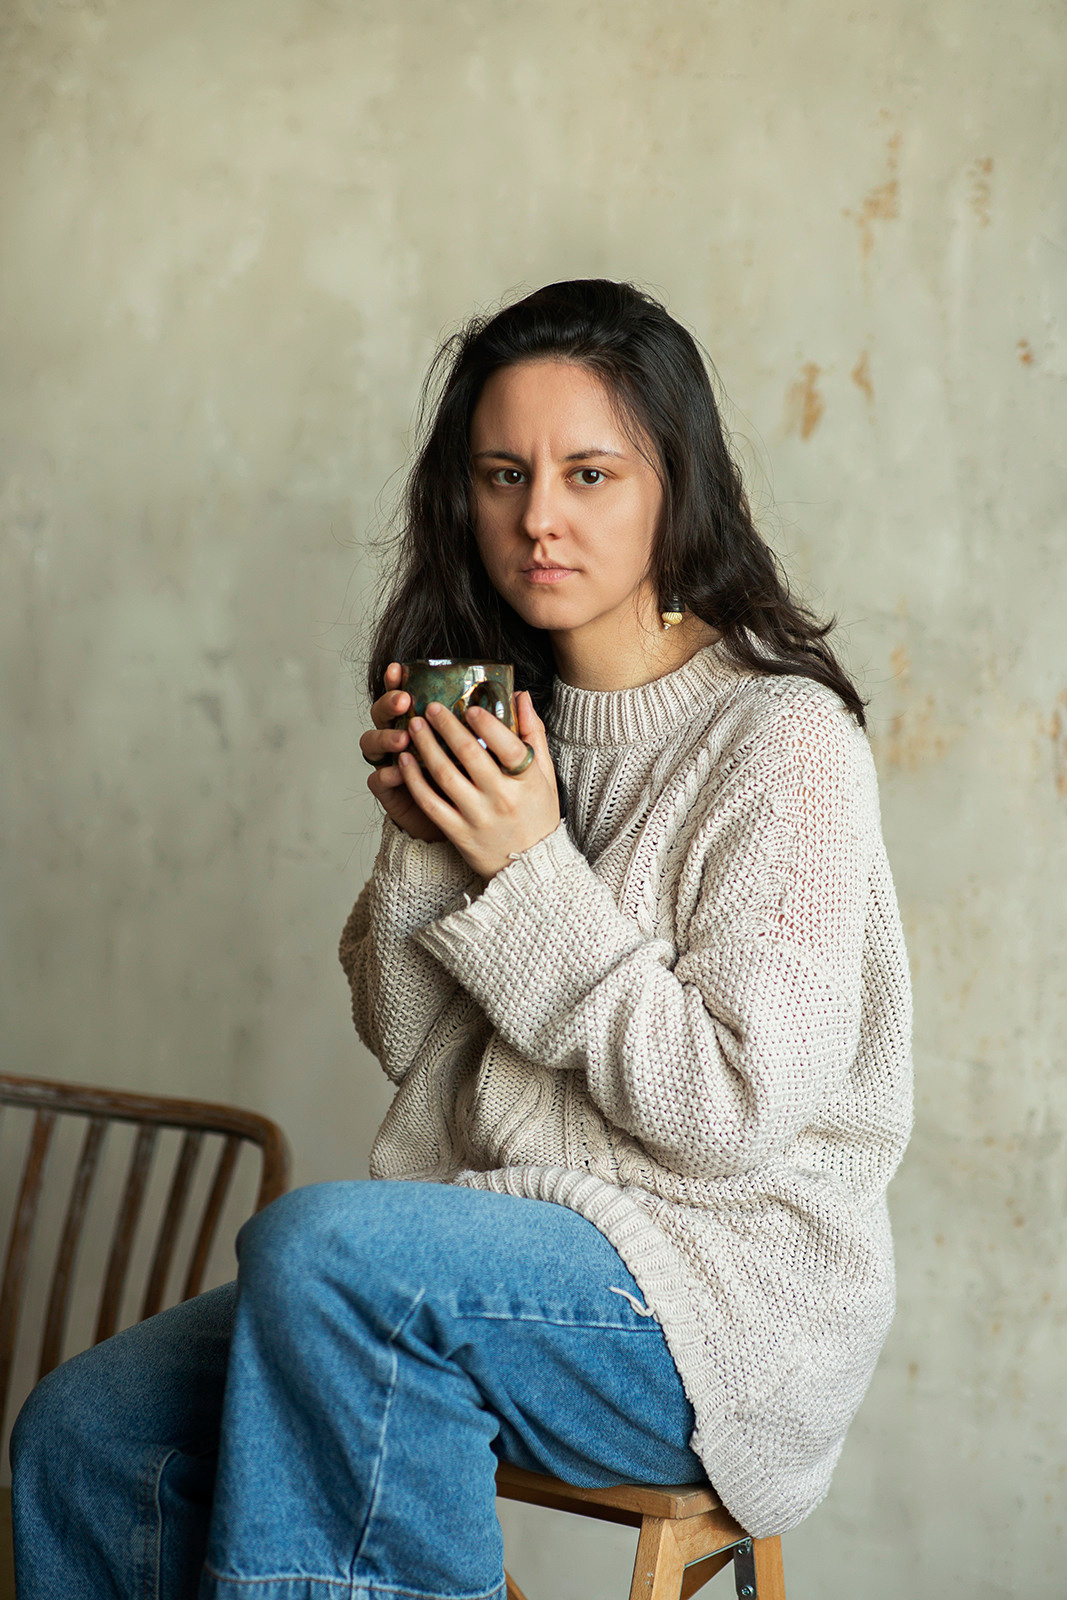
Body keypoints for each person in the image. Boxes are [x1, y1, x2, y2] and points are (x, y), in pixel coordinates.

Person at [9, 279, 913, 1598]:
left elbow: (734, 1107)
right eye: (504, 473)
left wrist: (528, 865)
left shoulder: (783, 747)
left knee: (328, 1253)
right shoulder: (509, 713)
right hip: (486, 1250)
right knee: (86, 1434)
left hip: (719, 1303)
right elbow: (416, 1050)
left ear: (679, 488)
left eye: (591, 473)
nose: (539, 517)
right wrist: (430, 845)